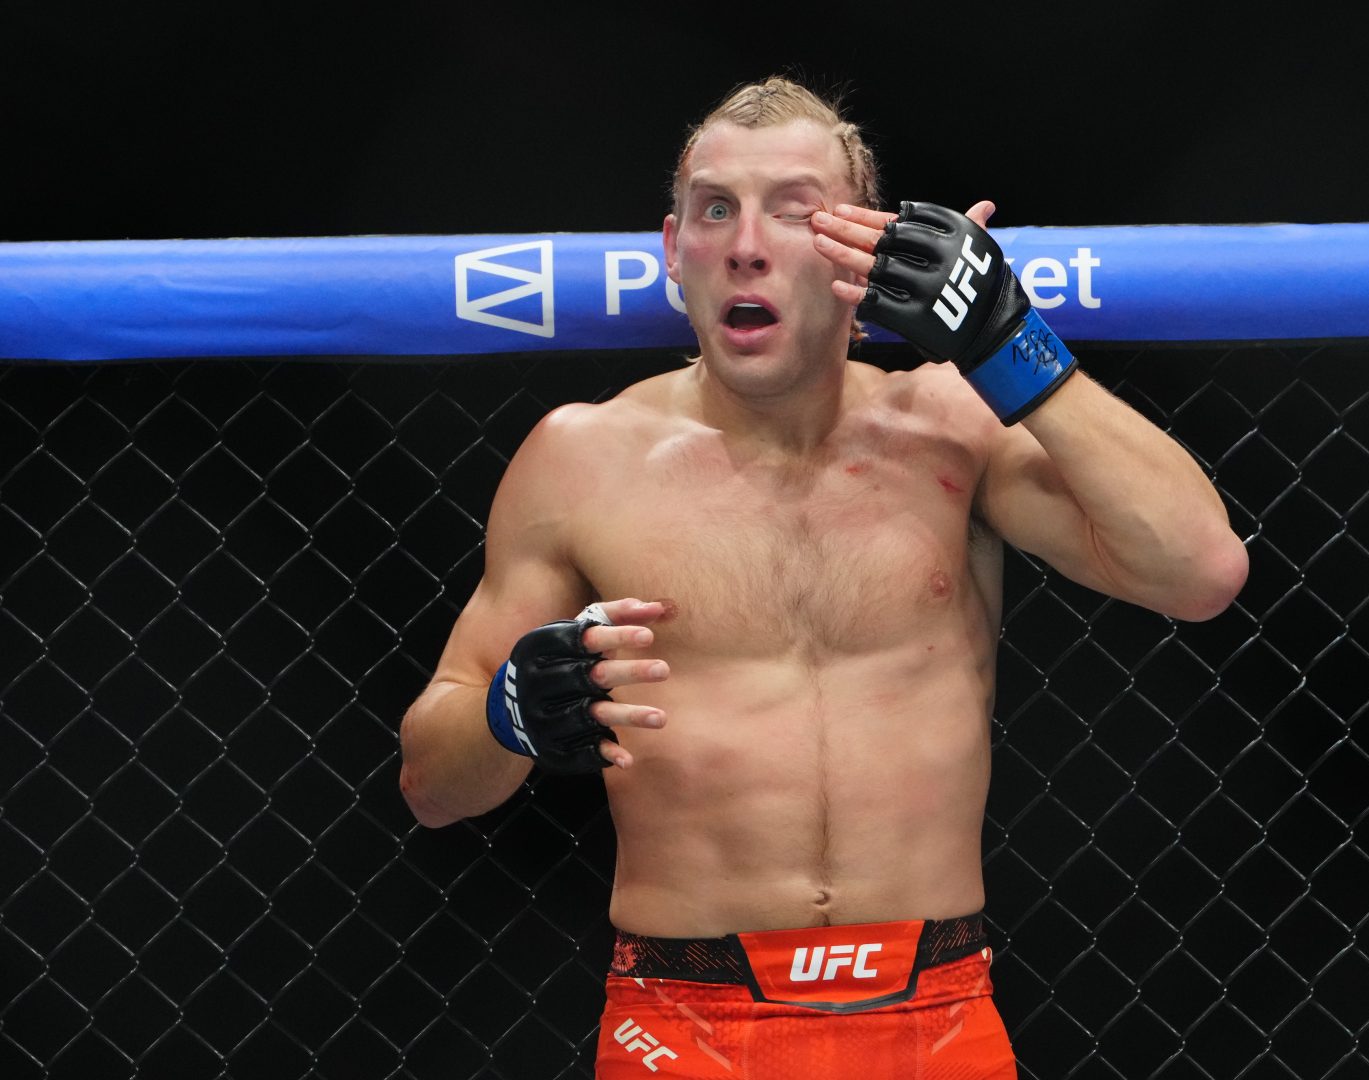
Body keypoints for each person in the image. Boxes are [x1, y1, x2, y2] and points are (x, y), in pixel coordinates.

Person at [398, 77, 1248, 1078]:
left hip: (935, 1019)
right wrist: (504, 715)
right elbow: (431, 786)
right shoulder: (583, 459)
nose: (747, 243)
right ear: (676, 251)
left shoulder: (951, 430)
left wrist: (1006, 344)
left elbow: (1200, 568)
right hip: (683, 1024)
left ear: (863, 247)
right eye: (715, 208)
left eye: (793, 209)